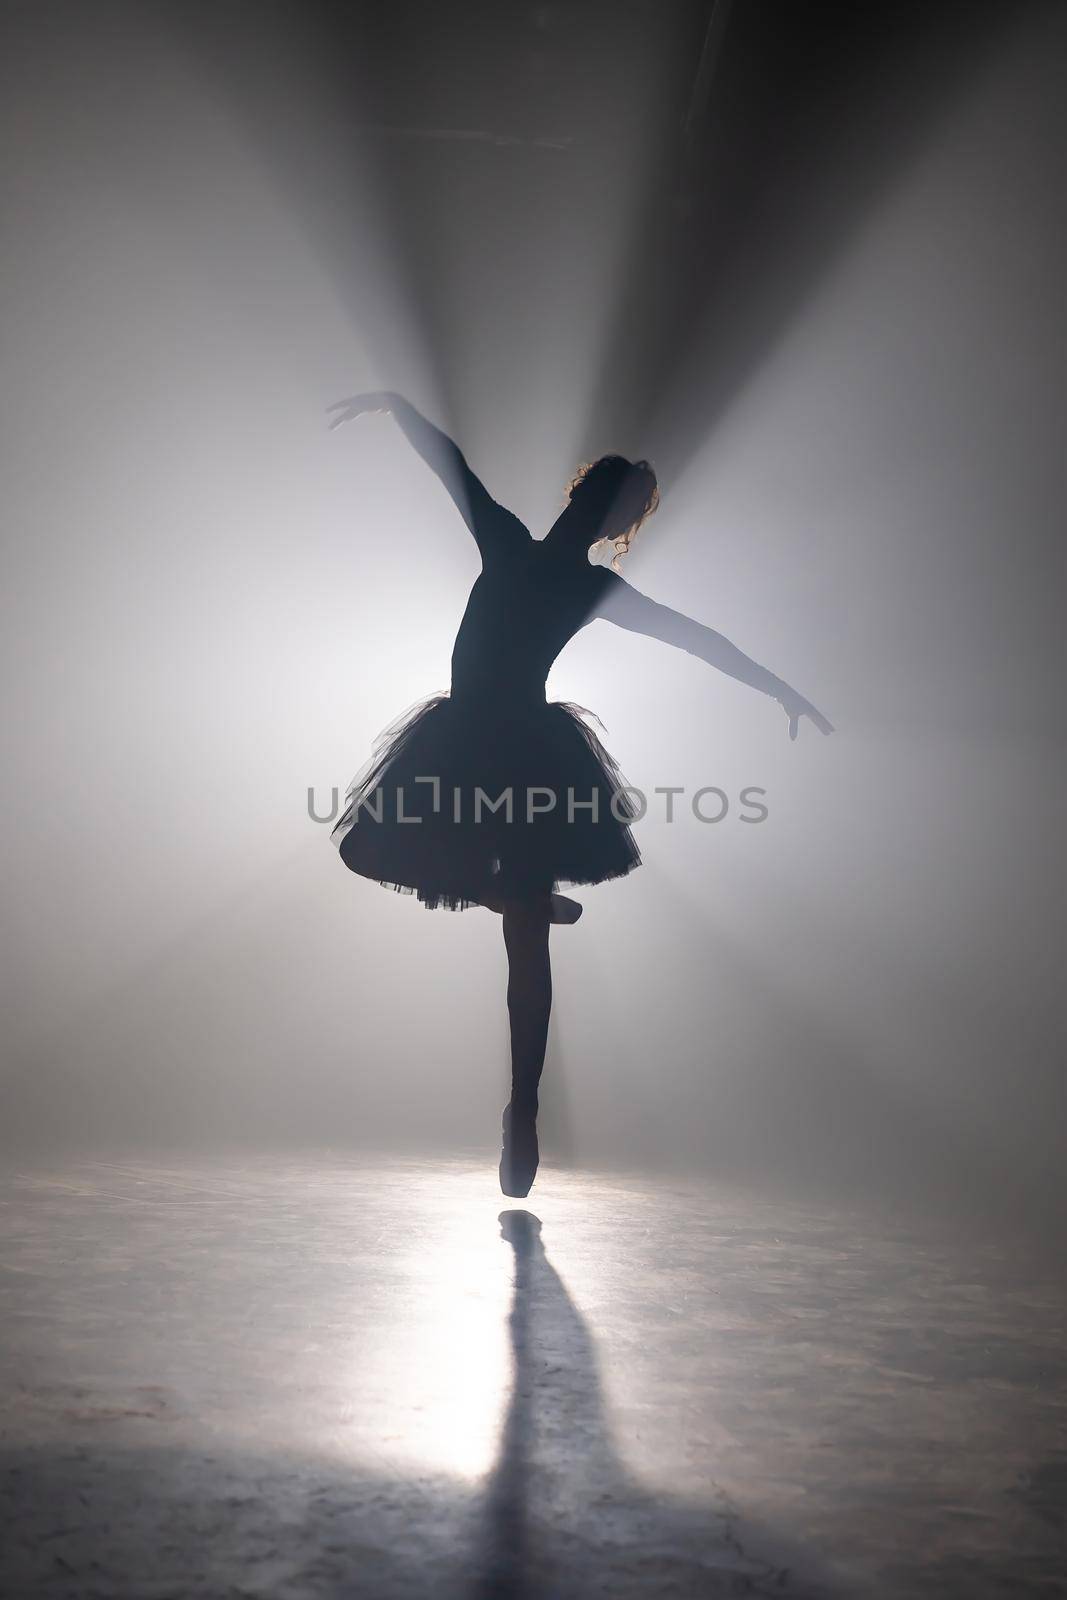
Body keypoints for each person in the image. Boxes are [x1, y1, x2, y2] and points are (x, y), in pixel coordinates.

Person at [327, 392, 832, 1197]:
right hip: (480, 739)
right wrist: (398, 409)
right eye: (608, 497)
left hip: (517, 747)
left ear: (603, 522)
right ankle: (504, 900)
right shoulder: (510, 544)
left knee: (525, 944)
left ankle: (522, 1107)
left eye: (617, 507)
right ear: (583, 500)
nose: (606, 513)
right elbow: (451, 469)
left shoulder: (565, 575)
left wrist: (776, 687)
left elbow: (694, 636)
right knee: (370, 852)